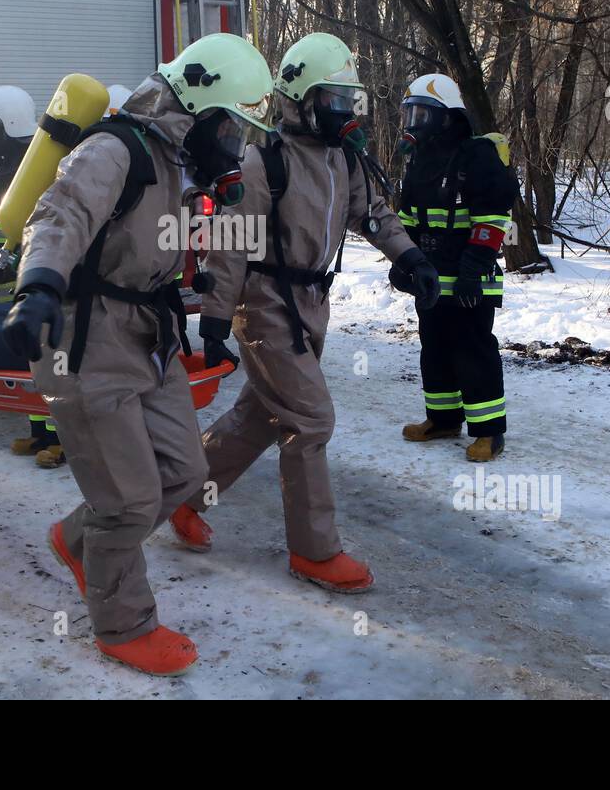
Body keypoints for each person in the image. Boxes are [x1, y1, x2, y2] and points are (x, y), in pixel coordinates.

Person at [3, 33, 274, 676]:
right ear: (203, 108)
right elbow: (58, 215)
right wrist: (38, 285)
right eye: (234, 129)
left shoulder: (177, 161)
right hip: (85, 340)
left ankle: (77, 542)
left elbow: (146, 244)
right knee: (127, 501)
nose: (236, 146)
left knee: (182, 475)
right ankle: (122, 625)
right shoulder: (114, 148)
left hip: (149, 338)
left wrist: (194, 292)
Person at [168, 33, 439, 592]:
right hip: (266, 306)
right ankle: (314, 552)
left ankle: (182, 498)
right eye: (334, 100)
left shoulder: (346, 158)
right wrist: (216, 321)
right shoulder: (264, 158)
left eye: (350, 100)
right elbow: (231, 241)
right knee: (311, 420)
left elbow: (375, 214)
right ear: (300, 97)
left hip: (314, 302)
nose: (344, 113)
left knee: (262, 416)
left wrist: (410, 257)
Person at [395, 74, 517, 462]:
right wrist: (404, 260)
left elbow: (492, 220)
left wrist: (472, 271)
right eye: (409, 113)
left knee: (472, 351)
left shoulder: (476, 156)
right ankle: (443, 419)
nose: (413, 122)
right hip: (431, 280)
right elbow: (407, 217)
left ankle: (489, 432)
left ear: (447, 117)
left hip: (470, 282)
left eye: (422, 114)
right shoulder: (419, 161)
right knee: (434, 350)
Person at [0, 85, 63, 466]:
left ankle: (62, 435)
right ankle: (39, 432)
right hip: (8, 275)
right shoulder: (10, 166)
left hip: (30, 273)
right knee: (26, 357)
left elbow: (37, 220)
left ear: (11, 127)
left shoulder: (35, 166)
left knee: (48, 354)